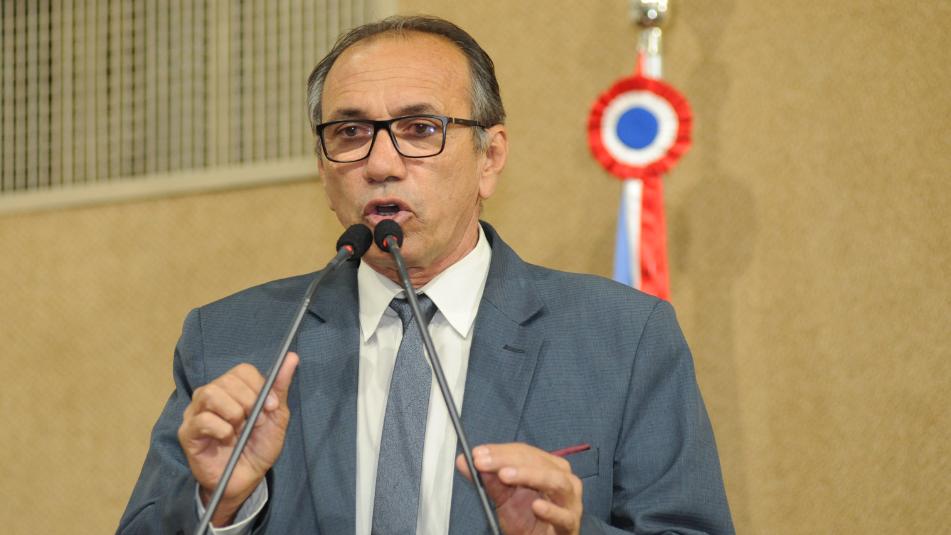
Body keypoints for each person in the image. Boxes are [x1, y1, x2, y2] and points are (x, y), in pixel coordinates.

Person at [118, 15, 734, 535]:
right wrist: (221, 502)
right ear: (324, 171)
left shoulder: (624, 336)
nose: (381, 163)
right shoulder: (231, 341)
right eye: (350, 132)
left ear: (490, 158)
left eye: (420, 129)